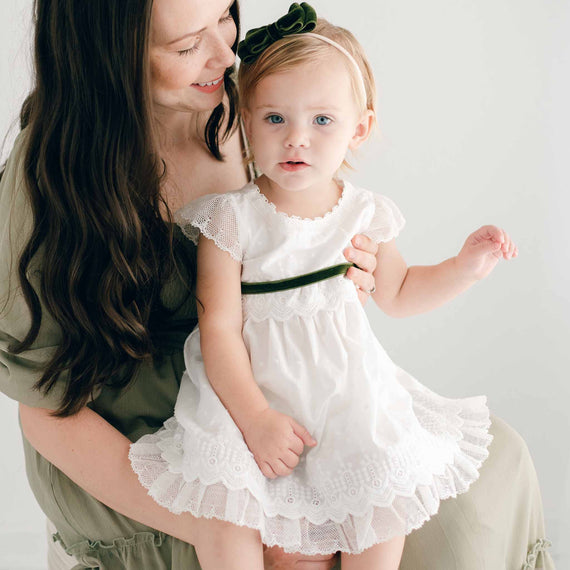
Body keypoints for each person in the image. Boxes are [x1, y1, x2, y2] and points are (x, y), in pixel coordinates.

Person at [0, 1, 553, 570]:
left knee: (486, 480)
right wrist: (219, 518)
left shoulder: (253, 101)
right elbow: (45, 413)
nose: (225, 54)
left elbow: (345, 247)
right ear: (109, 57)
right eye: (187, 45)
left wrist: (345, 271)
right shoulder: (50, 183)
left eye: (225, 17)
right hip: (145, 444)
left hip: (290, 395)